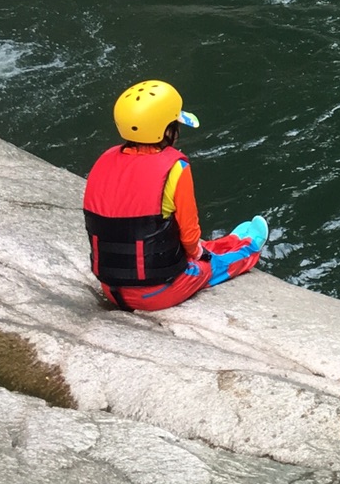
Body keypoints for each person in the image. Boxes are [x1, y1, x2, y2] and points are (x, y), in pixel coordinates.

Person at [83, 79, 270, 311]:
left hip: (110, 288)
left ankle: (228, 241)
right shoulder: (175, 168)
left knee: (191, 249)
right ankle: (249, 246)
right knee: (212, 263)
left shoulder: (104, 161)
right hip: (156, 291)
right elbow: (190, 237)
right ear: (168, 130)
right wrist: (199, 254)